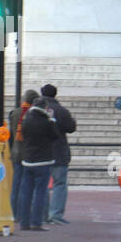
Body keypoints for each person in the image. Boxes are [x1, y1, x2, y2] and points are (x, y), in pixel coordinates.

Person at [16, 97, 59, 231]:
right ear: (44, 108)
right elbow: (55, 135)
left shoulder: (26, 120)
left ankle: (24, 222)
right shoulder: (45, 121)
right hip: (43, 160)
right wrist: (52, 120)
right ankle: (36, 222)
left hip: (28, 160)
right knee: (40, 192)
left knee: (26, 192)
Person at [39, 84, 77, 226]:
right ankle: (55, 214)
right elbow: (71, 128)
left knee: (41, 184)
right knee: (59, 184)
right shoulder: (61, 111)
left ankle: (42, 214)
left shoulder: (38, 110)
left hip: (41, 153)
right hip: (59, 152)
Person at [8, 89, 38, 212]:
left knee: (16, 184)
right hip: (29, 152)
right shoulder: (33, 114)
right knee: (27, 185)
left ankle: (13, 211)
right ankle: (24, 211)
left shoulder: (14, 113)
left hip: (16, 151)